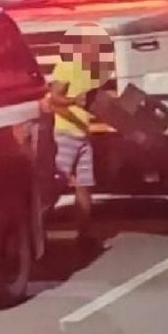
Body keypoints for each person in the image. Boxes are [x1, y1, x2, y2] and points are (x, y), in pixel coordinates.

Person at [47, 23, 114, 246]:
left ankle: (84, 235)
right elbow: (54, 97)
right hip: (65, 133)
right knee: (55, 185)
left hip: (83, 135)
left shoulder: (91, 72)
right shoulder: (67, 66)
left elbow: (94, 102)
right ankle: (38, 231)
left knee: (84, 185)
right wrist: (73, 101)